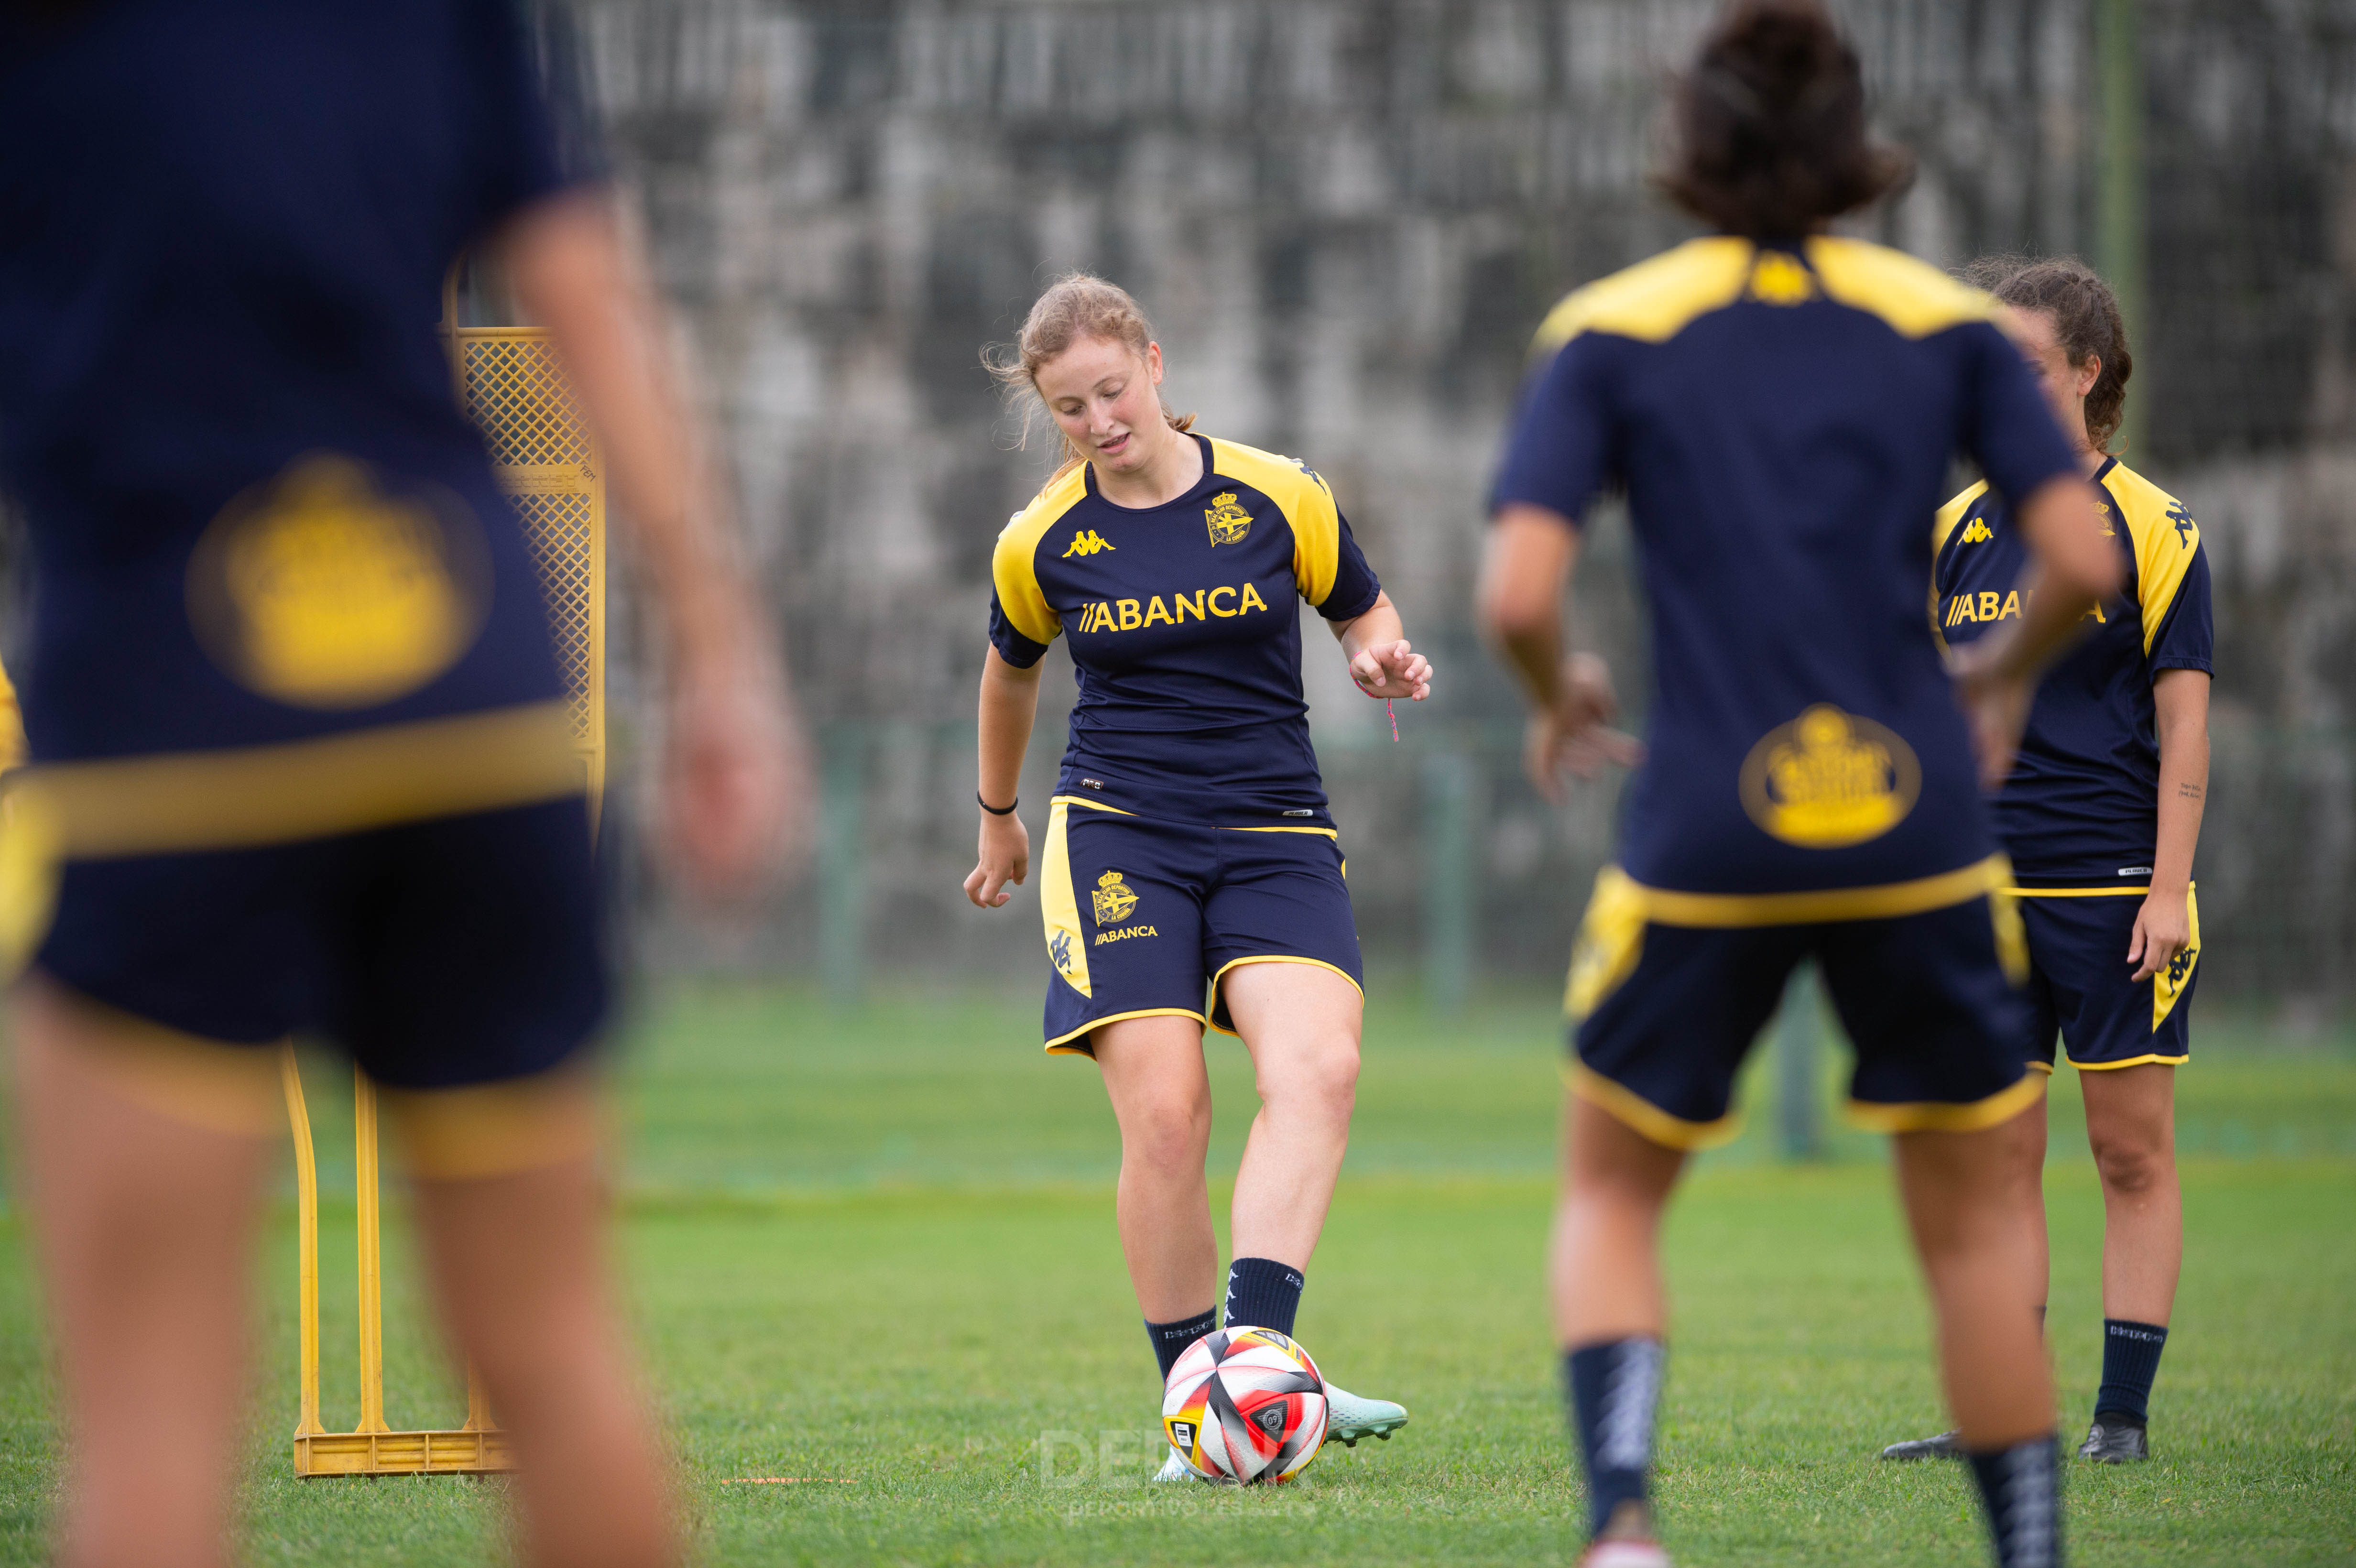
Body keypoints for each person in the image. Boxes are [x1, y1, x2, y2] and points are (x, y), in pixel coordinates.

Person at [0, 5, 798, 1566]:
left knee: (154, 1407)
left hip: (171, 691)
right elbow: (581, 287)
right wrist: (719, 646)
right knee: (555, 1348)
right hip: (470, 681)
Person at [1474, 3, 2124, 1565]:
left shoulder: (1610, 330)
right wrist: (1995, 676)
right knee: (1969, 1223)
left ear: (1685, 140)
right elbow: (2079, 560)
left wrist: (1554, 687)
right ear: (1854, 150)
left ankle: (1621, 1523)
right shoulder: (1943, 327)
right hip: (1914, 830)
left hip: (1704, 827)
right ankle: (2025, 1551)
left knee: (1613, 1190)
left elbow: (1511, 593)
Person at [963, 273, 1432, 1481]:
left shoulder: (1280, 494)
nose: (1099, 420)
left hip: (1273, 826)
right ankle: (1194, 1408)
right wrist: (998, 820)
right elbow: (1009, 674)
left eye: (1112, 390)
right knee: (1166, 1114)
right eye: (1070, 408)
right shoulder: (1044, 539)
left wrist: (1382, 661)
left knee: (1319, 1067)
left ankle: (1256, 1371)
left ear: (1155, 364)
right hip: (1121, 831)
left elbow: (1363, 614)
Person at [1882, 256, 2210, 1468]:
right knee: (1993, 1152)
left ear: (2086, 371)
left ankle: (2118, 1417)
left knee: (2127, 1148)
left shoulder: (2150, 525)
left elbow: (2184, 720)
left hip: (2118, 889)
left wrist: (2170, 886)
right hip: (1978, 898)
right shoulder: (1950, 534)